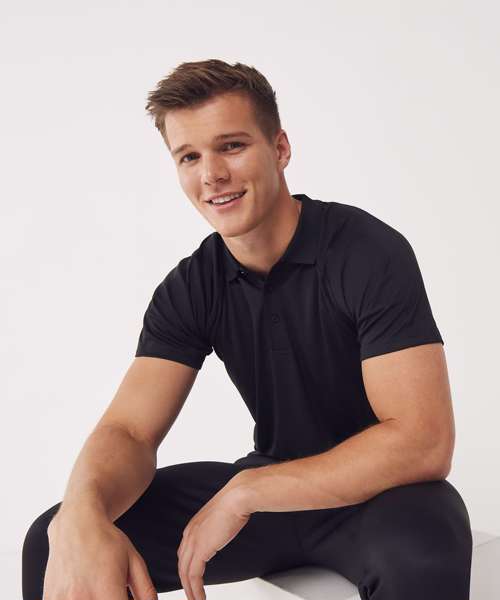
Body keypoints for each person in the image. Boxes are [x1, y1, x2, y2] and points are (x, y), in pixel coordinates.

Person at [22, 59, 473, 600]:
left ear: (280, 148)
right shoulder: (193, 285)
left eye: (231, 146)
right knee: (57, 541)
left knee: (421, 555)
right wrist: (82, 512)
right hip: (267, 498)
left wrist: (247, 493)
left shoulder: (366, 252)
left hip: (382, 497)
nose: (211, 174)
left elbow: (423, 442)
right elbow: (130, 432)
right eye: (189, 156)